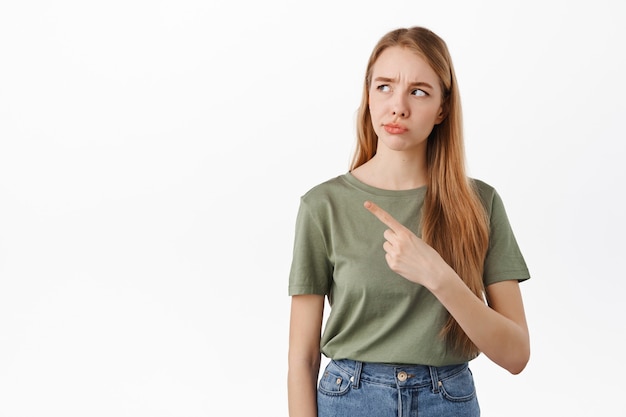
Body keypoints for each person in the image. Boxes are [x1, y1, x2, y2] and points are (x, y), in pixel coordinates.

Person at [287, 26, 530, 417]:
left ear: (442, 108)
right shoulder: (323, 206)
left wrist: (439, 276)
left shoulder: (480, 203)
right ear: (367, 95)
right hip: (351, 398)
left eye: (418, 91)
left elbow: (516, 355)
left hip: (447, 400)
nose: (398, 106)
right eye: (384, 86)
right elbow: (301, 359)